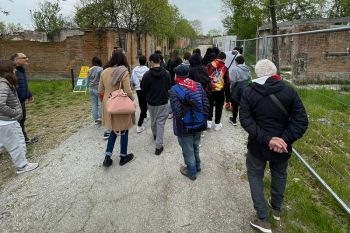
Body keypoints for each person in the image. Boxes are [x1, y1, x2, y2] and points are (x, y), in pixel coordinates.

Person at [239, 59, 308, 233]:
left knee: (255, 175)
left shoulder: (249, 92)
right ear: (274, 72)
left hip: (258, 145)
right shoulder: (288, 91)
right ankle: (276, 208)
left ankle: (262, 218)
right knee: (279, 174)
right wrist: (284, 139)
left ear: (257, 74)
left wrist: (268, 139)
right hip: (282, 147)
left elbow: (246, 120)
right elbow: (301, 121)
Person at [169, 68, 209, 181]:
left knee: (188, 150)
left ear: (176, 76)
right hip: (199, 123)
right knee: (196, 145)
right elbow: (206, 103)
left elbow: (176, 112)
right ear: (187, 75)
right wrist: (202, 118)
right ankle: (197, 166)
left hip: (184, 126)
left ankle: (191, 172)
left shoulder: (174, 90)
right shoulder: (198, 85)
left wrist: (184, 122)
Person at [0, 60, 39, 174]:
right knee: (17, 144)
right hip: (8, 122)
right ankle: (22, 166)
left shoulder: (4, 82)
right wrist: (14, 113)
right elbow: (0, 103)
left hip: (4, 121)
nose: (15, 70)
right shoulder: (3, 84)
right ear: (7, 70)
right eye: (13, 68)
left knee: (6, 143)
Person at [98, 51, 135, 167]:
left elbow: (100, 90)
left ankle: (107, 158)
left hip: (108, 104)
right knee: (123, 130)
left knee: (113, 130)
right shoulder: (124, 72)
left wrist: (106, 100)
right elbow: (128, 91)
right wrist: (132, 100)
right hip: (120, 105)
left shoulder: (104, 72)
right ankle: (123, 157)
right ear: (123, 59)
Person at [141, 53, 171, 155]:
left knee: (153, 119)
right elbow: (169, 87)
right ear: (160, 61)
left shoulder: (147, 75)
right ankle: (158, 146)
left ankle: (155, 135)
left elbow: (143, 88)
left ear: (152, 62)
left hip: (151, 102)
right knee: (161, 123)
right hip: (163, 101)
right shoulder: (166, 73)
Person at [10, 53, 37, 144]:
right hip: (14, 102)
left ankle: (23, 140)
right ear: (16, 60)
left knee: (21, 120)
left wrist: (28, 95)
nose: (27, 59)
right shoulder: (11, 71)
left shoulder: (20, 70)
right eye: (24, 58)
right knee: (17, 121)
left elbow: (23, 84)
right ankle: (20, 141)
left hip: (21, 100)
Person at [206, 52, 230, 131]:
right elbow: (227, 83)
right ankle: (217, 124)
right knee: (219, 107)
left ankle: (208, 122)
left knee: (209, 105)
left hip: (209, 90)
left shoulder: (209, 65)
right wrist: (228, 98)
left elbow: (205, 76)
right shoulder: (225, 68)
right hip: (219, 91)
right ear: (224, 59)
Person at [229, 55, 251, 126]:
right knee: (244, 104)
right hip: (246, 87)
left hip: (237, 87)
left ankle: (234, 120)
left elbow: (232, 80)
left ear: (236, 62)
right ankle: (244, 121)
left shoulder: (234, 69)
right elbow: (249, 77)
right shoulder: (248, 68)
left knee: (235, 104)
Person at [131, 55, 149, 133]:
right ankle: (139, 124)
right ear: (146, 61)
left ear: (139, 61)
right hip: (146, 89)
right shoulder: (147, 70)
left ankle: (144, 115)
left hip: (138, 89)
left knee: (142, 104)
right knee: (145, 105)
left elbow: (132, 80)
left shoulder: (134, 69)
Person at [87, 56, 103, 125]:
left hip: (91, 88)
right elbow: (102, 80)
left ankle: (95, 119)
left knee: (94, 104)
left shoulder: (89, 70)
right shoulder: (101, 69)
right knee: (101, 103)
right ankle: (100, 117)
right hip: (98, 88)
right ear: (99, 62)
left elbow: (87, 81)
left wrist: (89, 87)